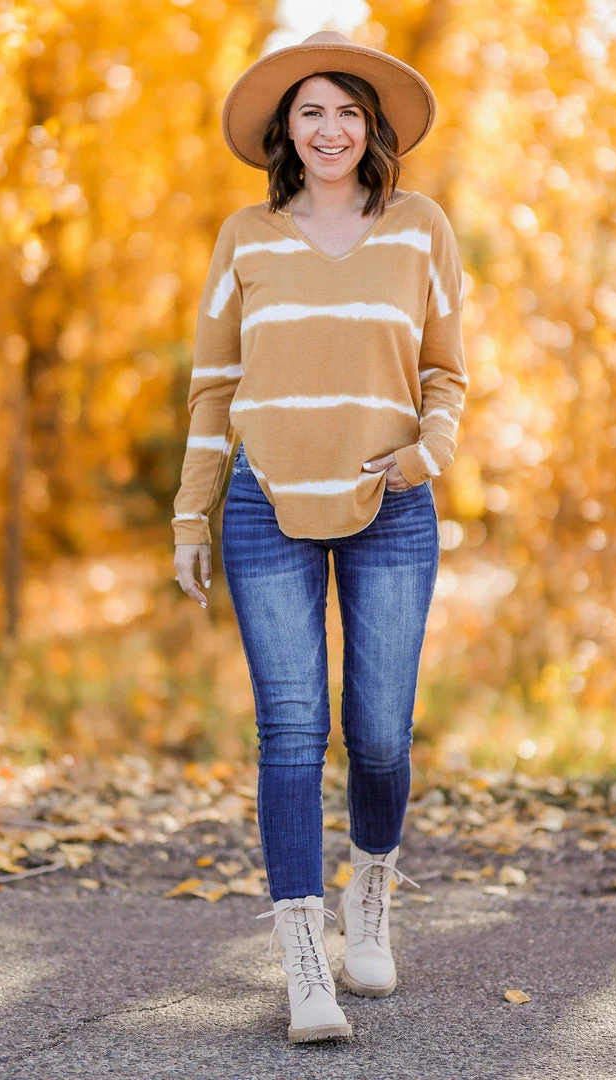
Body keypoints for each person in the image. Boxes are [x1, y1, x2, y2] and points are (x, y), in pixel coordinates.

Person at [172, 30, 468, 1044]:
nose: (330, 127)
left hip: (392, 503)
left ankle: (369, 894)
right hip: (263, 502)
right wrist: (189, 512)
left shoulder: (420, 226)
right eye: (310, 111)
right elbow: (214, 386)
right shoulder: (245, 237)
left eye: (346, 110)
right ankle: (304, 965)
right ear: (283, 134)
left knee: (381, 733)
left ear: (372, 126)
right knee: (291, 733)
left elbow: (446, 370)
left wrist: (431, 449)